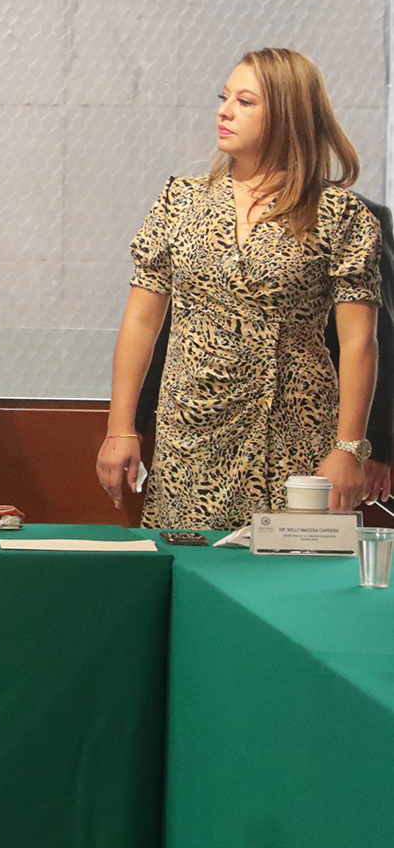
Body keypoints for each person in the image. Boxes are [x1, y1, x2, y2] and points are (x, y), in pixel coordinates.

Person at [100, 48, 382, 528]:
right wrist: (120, 428)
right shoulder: (180, 200)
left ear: (289, 114)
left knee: (288, 565)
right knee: (188, 560)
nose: (224, 111)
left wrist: (348, 447)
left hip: (294, 433)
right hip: (191, 430)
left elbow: (359, 340)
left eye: (245, 102)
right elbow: (141, 321)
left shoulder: (338, 213)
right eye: (224, 97)